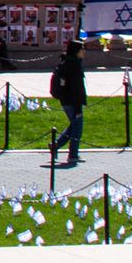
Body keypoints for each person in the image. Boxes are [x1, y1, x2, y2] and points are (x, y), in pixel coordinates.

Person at [49, 39, 87, 167]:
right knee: (77, 128)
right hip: (72, 101)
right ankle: (73, 155)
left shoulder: (68, 62)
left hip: (66, 100)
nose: (84, 51)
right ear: (76, 51)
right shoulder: (73, 65)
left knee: (74, 126)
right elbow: (76, 88)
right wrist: (78, 107)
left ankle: (56, 145)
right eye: (82, 49)